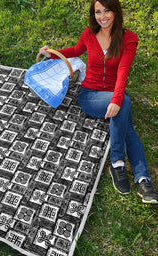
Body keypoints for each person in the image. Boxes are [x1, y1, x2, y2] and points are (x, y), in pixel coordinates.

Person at [39, 0, 158, 204]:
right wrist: (52, 55)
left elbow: (123, 71)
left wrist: (117, 99)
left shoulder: (129, 39)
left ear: (116, 11)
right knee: (125, 107)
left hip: (112, 92)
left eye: (107, 11)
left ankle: (138, 176)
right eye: (98, 12)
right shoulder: (89, 34)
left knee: (125, 115)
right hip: (90, 95)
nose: (102, 16)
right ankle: (125, 167)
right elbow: (76, 50)